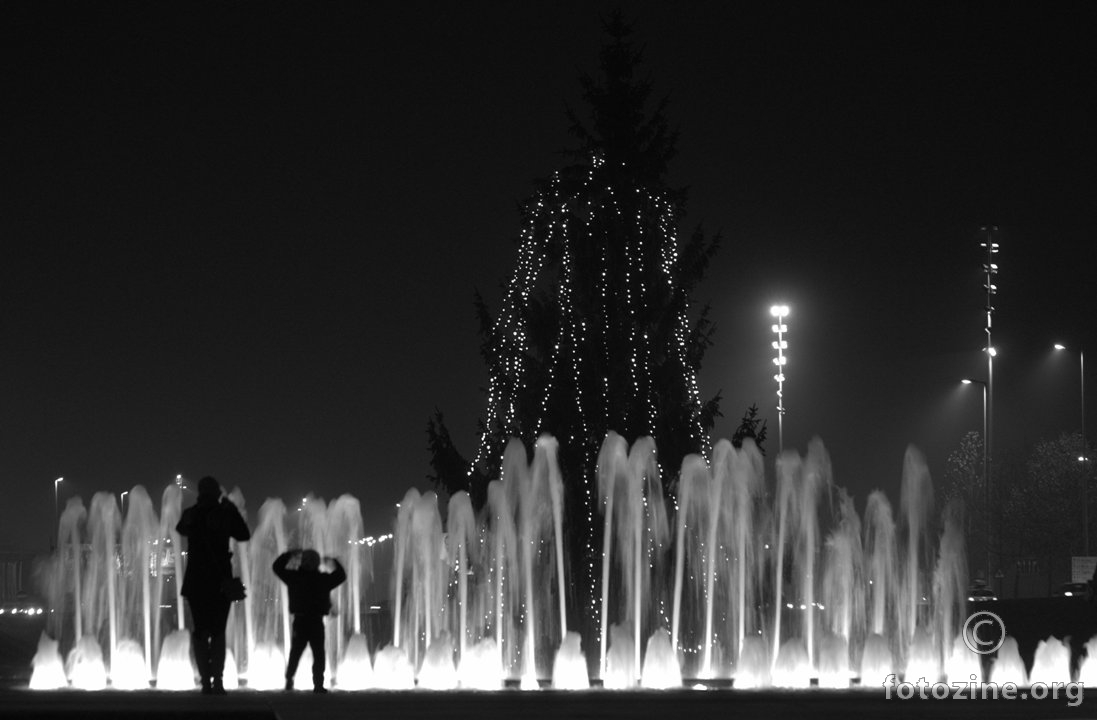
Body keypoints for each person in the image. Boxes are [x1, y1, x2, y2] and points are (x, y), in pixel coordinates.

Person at [176, 476, 251, 694]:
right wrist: (231, 510)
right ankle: (217, 680)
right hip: (220, 581)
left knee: (201, 631)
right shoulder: (225, 512)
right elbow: (244, 535)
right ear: (217, 492)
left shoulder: (192, 513)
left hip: (196, 581)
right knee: (218, 631)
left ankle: (206, 681)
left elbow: (181, 528)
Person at [273, 548, 347, 692]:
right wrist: (334, 562)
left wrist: (289, 555)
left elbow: (277, 567)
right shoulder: (323, 579)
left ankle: (290, 680)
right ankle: (318, 684)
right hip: (315, 621)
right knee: (318, 654)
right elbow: (341, 576)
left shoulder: (294, 577)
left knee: (297, 652)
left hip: (301, 620)